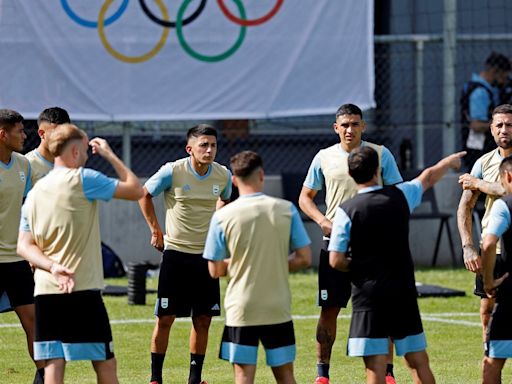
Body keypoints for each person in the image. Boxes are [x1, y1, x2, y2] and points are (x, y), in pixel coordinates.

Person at [17, 123, 143, 384]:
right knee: (105, 364)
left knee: (53, 365)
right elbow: (135, 189)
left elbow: (24, 246)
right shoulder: (84, 178)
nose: (87, 155)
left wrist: (52, 267)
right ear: (74, 152)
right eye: (85, 150)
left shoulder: (34, 193)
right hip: (82, 288)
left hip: (46, 291)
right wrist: (109, 154)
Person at [329, 146, 465, 384]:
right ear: (378, 171)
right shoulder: (401, 195)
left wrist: (359, 266)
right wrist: (448, 162)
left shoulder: (346, 211)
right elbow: (428, 177)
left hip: (369, 295)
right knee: (418, 362)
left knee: (375, 368)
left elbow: (336, 260)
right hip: (402, 291)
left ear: (350, 175)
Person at [298, 103, 403, 384]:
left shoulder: (381, 154)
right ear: (336, 128)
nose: (349, 129)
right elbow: (305, 197)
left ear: (363, 126)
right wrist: (322, 221)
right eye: (344, 125)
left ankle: (388, 373)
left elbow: (397, 195)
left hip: (374, 247)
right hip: (335, 245)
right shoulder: (323, 157)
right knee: (329, 308)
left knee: (382, 308)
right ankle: (323, 374)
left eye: (355, 124)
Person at [203, 150, 312, 384]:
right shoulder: (286, 209)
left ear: (233, 180)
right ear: (261, 175)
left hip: (241, 308)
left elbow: (214, 270)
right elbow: (304, 258)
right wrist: (272, 263)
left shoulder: (222, 216)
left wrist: (240, 263)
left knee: (243, 376)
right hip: (277, 306)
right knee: (285, 376)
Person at [139, 124, 232, 384]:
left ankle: (195, 379)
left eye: (213, 145)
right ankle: (156, 378)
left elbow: (226, 200)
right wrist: (156, 230)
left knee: (203, 320)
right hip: (176, 255)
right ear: (190, 148)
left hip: (207, 258)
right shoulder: (173, 170)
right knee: (165, 318)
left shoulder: (223, 175)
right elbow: (144, 194)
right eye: (204, 145)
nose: (209, 150)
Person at [457, 104, 512, 341]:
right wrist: (468, 246)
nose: (504, 130)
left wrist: (478, 183)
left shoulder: (479, 176)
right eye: (499, 125)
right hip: (493, 248)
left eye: (509, 125)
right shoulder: (483, 163)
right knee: (486, 309)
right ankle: (489, 357)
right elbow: (465, 207)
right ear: (491, 129)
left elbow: (506, 190)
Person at [0, 109, 44, 383]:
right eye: (19, 131)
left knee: (34, 323)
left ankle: (44, 378)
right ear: (3, 134)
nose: (24, 136)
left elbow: (28, 209)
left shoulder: (23, 165)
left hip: (15, 260)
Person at [480, 155, 512, 383]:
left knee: (493, 360)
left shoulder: (504, 205)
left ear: (507, 177)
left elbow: (489, 243)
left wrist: (488, 281)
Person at [460, 52, 511, 171]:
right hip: (479, 151)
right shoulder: (480, 93)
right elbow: (476, 125)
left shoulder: (485, 88)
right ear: (495, 72)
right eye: (504, 76)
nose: (504, 81)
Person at [25, 107, 70, 185]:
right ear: (42, 134)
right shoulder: (27, 164)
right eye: (56, 133)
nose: (61, 138)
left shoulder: (71, 162)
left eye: (65, 133)